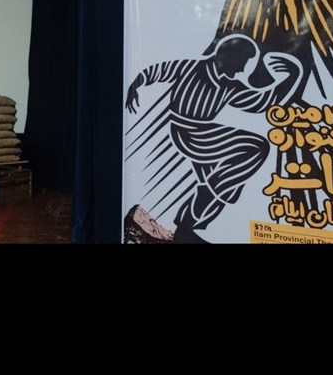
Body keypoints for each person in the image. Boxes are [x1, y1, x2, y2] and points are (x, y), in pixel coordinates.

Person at [125, 34, 301, 243]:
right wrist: (136, 84)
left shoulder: (229, 85)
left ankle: (187, 230)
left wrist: (291, 77)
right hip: (188, 133)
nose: (242, 70)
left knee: (224, 185)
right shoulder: (192, 67)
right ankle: (191, 217)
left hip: (201, 133)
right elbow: (160, 71)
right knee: (255, 148)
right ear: (228, 55)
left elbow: (262, 102)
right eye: (242, 62)